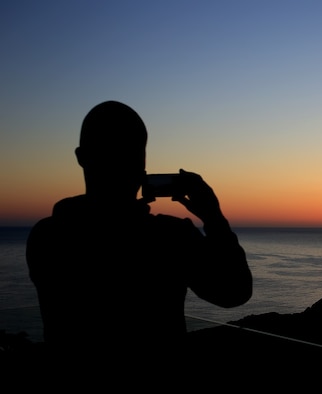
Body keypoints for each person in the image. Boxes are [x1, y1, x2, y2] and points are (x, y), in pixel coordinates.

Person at [25, 100, 253, 361]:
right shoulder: (170, 238)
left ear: (81, 157)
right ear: (142, 164)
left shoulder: (46, 236)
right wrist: (213, 216)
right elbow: (235, 292)